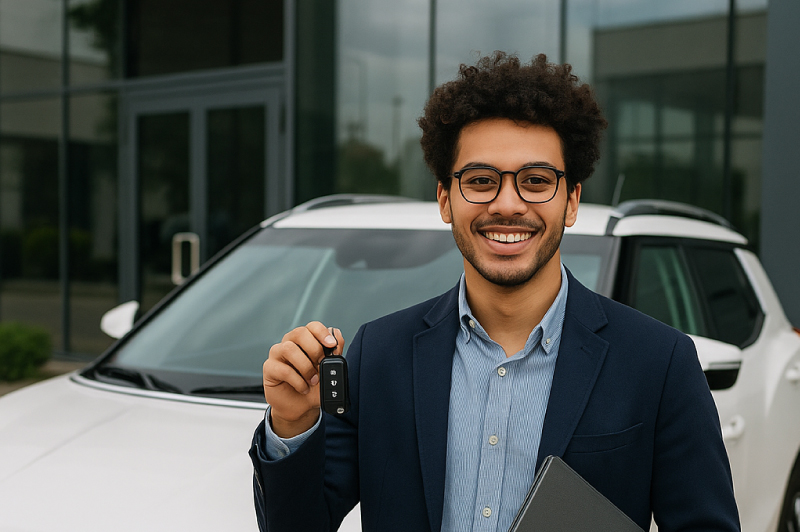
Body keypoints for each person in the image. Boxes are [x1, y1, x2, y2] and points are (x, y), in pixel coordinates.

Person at [249, 52, 740, 532]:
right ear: (445, 199)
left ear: (571, 201)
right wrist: (292, 424)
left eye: (536, 181)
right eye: (481, 180)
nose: (507, 204)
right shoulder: (378, 354)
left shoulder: (659, 363)